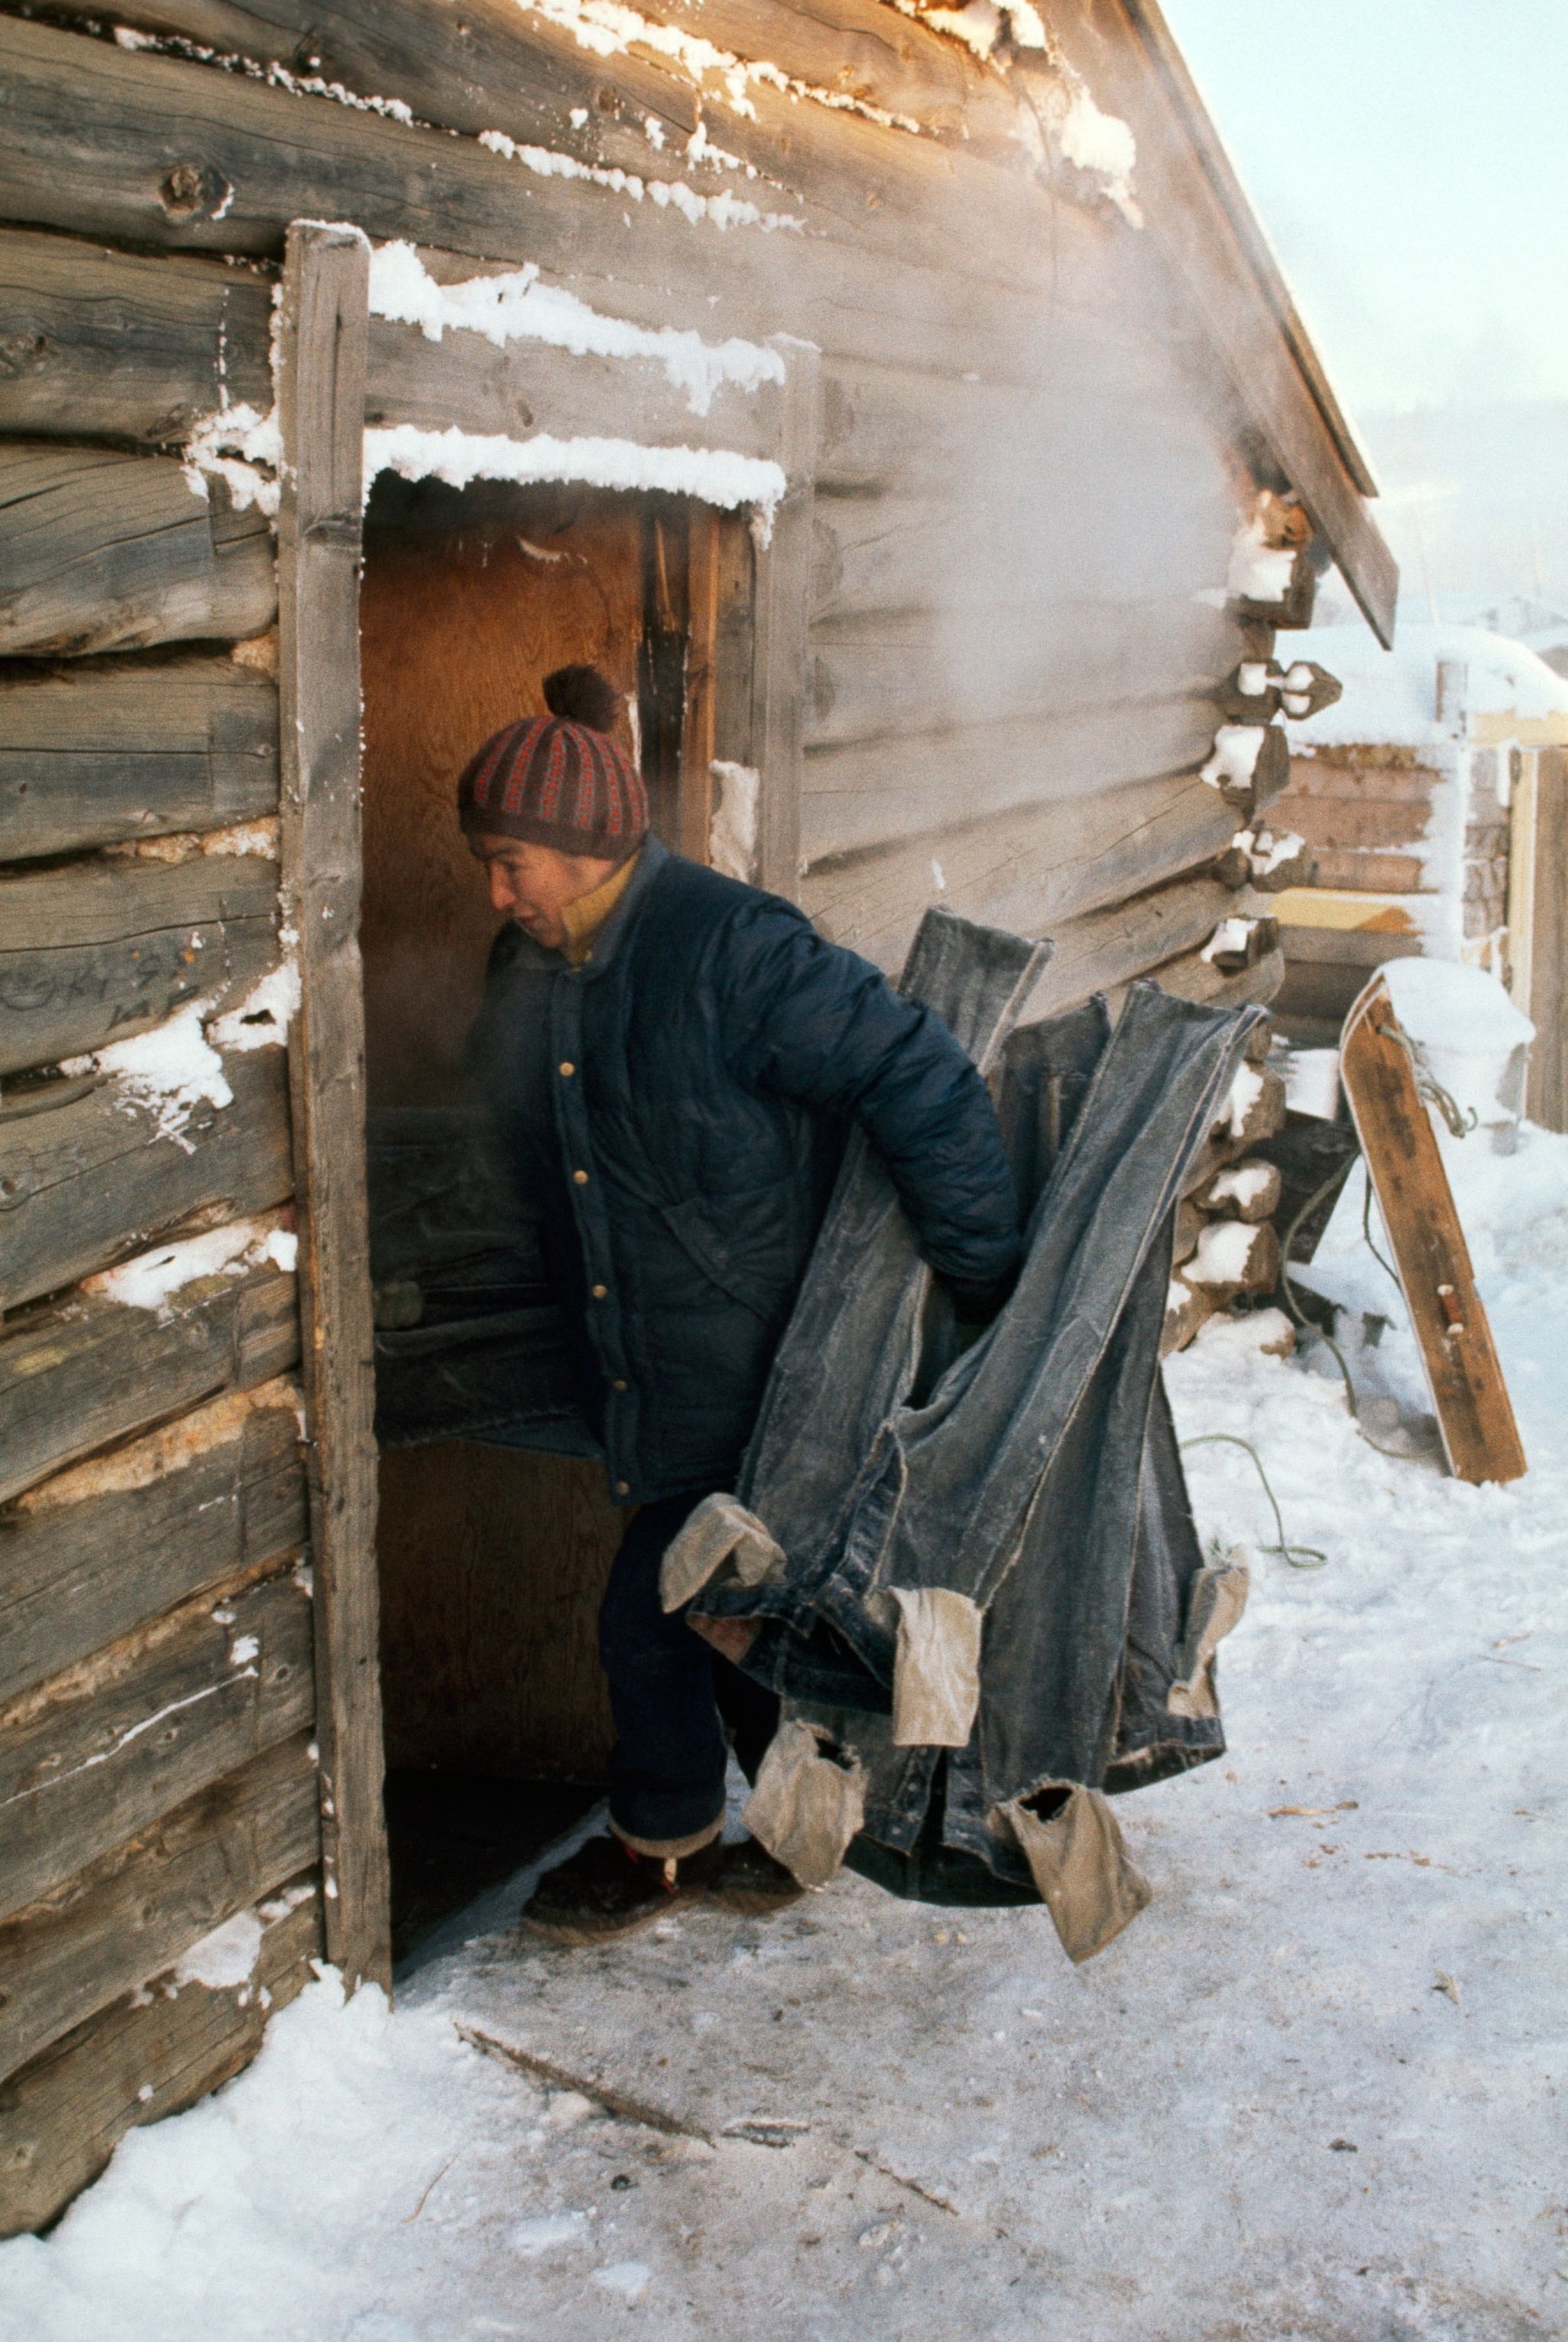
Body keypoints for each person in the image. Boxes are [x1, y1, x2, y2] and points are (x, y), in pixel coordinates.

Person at [460, 665, 1021, 1942]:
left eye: (513, 864)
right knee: (734, 1613)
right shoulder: (535, 964)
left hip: (767, 1362)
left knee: (653, 1613)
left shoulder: (731, 944)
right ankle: (801, 1822)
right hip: (638, 1354)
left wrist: (982, 1272)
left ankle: (661, 1844)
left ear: (591, 846)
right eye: (489, 864)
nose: (497, 893)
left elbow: (915, 1075)